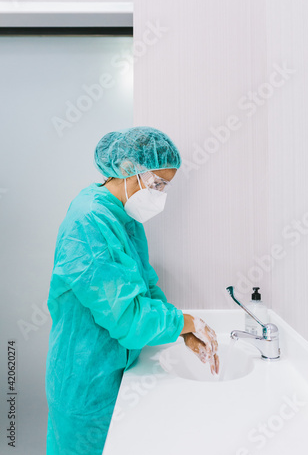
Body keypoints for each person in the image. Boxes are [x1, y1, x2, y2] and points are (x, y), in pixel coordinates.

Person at [45, 126, 219, 455]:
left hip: (113, 371)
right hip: (85, 385)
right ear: (127, 169)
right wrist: (186, 321)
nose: (160, 195)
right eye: (157, 184)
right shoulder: (88, 222)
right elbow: (127, 316)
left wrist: (181, 329)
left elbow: (146, 286)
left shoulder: (125, 218)